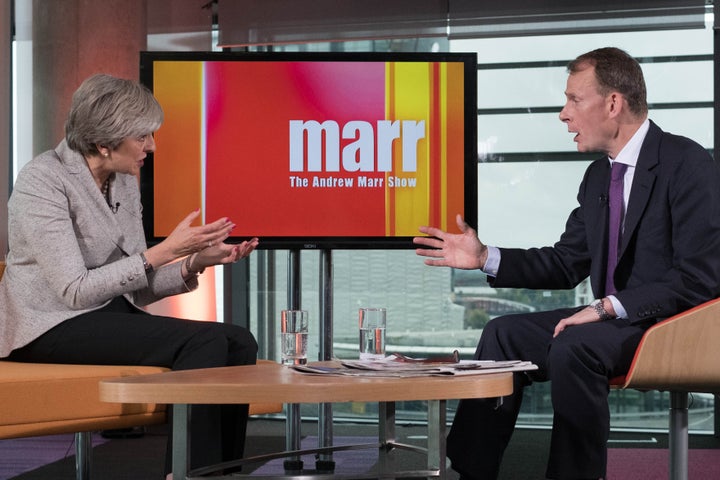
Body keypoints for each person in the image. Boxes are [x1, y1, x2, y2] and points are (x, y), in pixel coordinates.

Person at [413, 47, 720, 479]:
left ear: (613, 103)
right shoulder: (599, 176)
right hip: (612, 324)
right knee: (503, 334)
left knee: (576, 346)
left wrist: (603, 308)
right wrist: (484, 257)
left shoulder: (686, 163)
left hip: (670, 324)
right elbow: (565, 263)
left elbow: (699, 280)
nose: (563, 114)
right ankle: (467, 472)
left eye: (574, 100)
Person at [0, 74, 260, 478]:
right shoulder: (43, 180)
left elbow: (137, 286)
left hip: (103, 313)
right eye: (142, 137)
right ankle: (189, 474)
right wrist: (165, 251)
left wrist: (195, 262)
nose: (151, 147)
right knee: (206, 341)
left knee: (239, 340)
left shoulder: (123, 180)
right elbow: (73, 291)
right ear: (105, 141)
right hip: (46, 324)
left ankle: (221, 471)